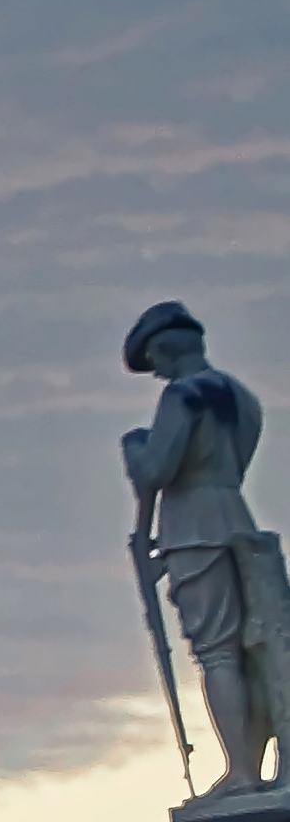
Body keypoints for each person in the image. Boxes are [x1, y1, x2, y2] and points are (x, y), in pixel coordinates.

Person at [126, 299, 290, 795]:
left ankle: (242, 772)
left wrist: (134, 445)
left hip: (194, 526)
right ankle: (260, 766)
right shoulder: (243, 397)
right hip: (235, 517)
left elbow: (155, 471)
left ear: (164, 350)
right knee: (257, 651)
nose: (156, 375)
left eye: (154, 363)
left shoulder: (184, 395)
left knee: (218, 654)